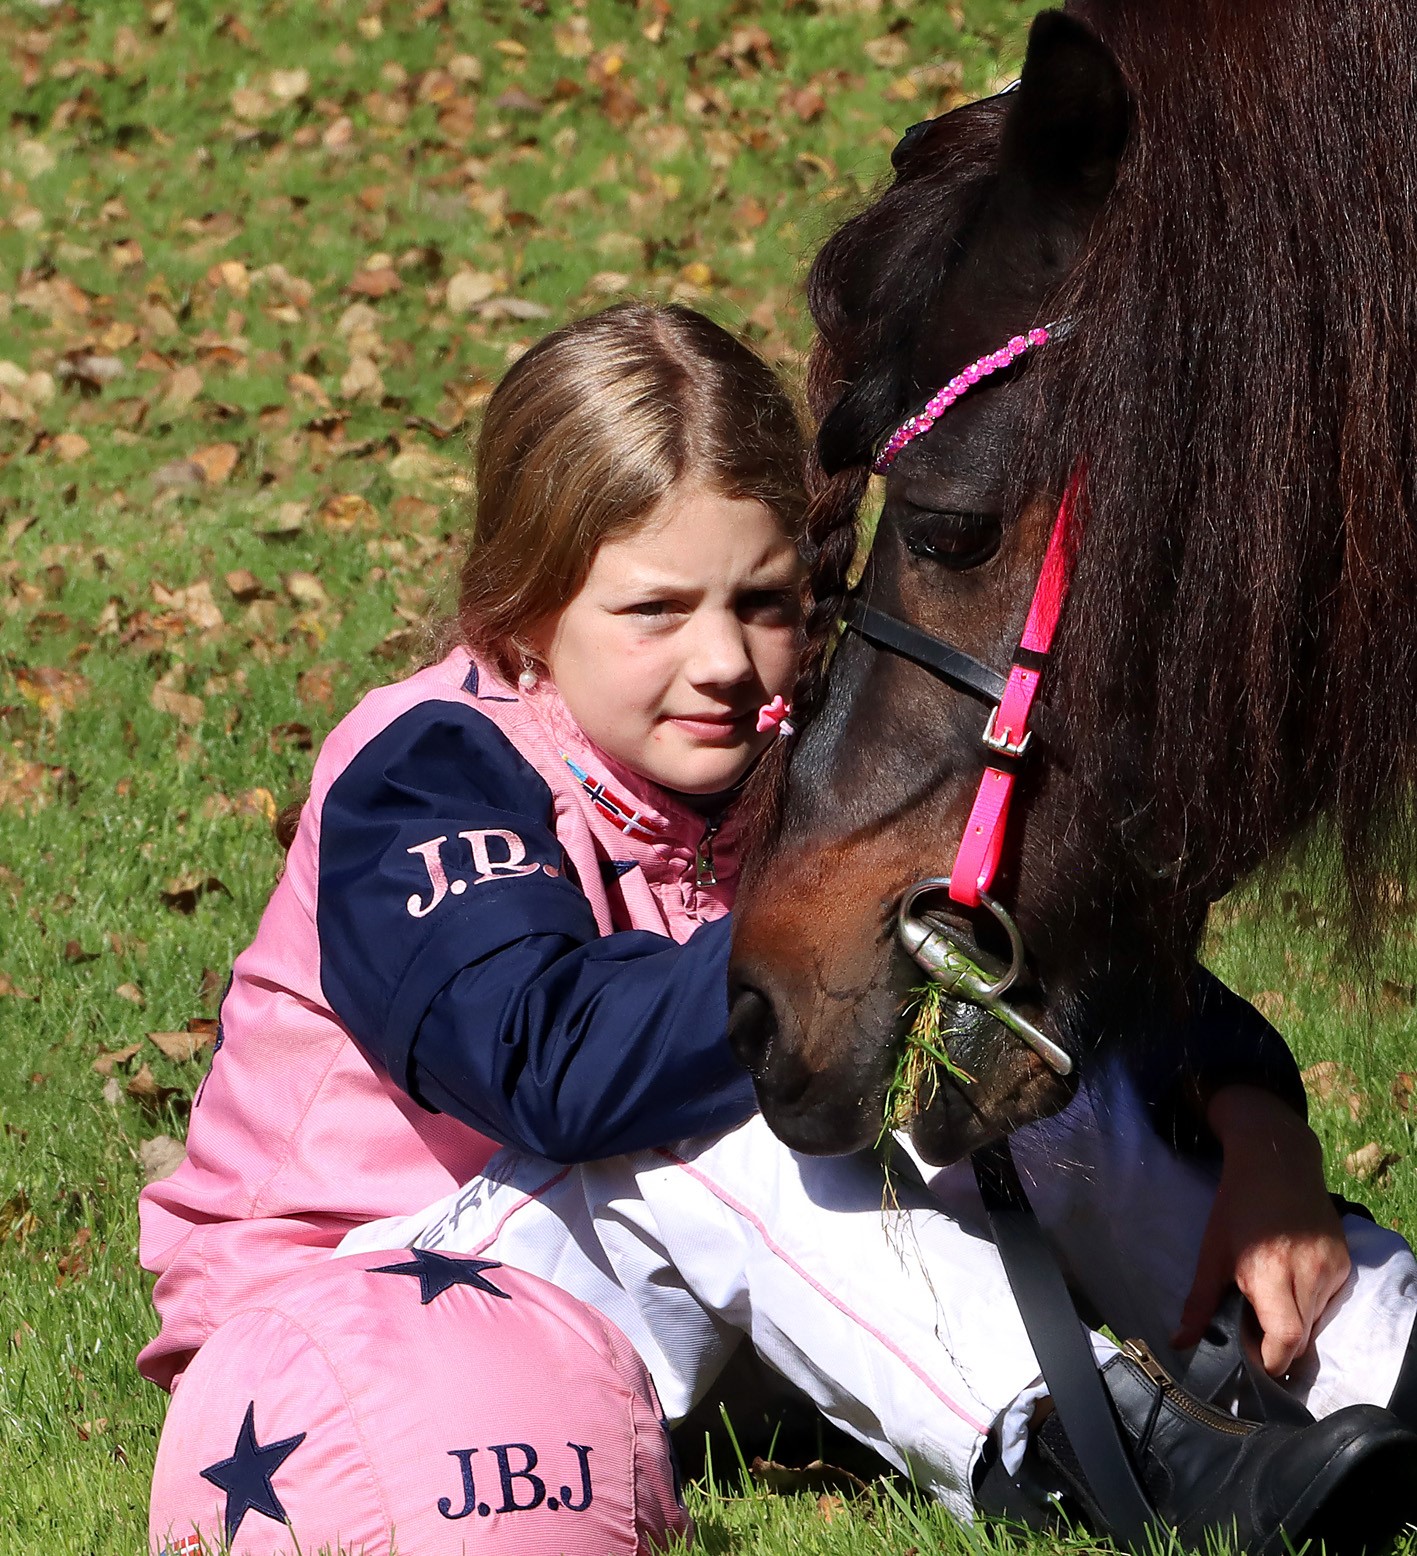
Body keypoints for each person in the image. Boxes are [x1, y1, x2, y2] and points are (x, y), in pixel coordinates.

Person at [140, 302, 1417, 1556]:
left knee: (980, 1044)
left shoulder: (795, 748)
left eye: (762, 602)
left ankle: (1373, 1350)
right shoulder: (428, 768)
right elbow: (547, 1065)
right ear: (523, 608)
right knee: (747, 1085)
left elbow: (1053, 954)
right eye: (653, 610)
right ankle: (1091, 1445)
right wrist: (854, 953)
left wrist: (1254, 1122)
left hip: (678, 1295)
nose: (722, 659)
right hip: (382, 1301)